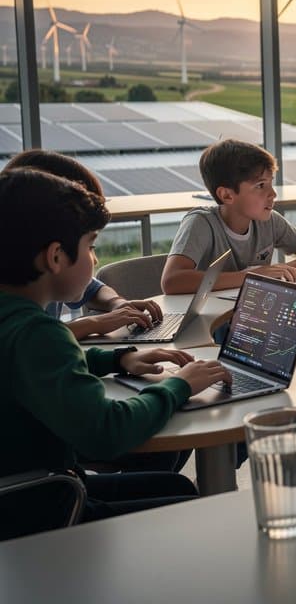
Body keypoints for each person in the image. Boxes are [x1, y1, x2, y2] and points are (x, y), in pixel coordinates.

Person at [0, 168, 232, 539]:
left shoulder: (15, 321)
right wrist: (180, 386)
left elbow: (29, 367)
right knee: (190, 512)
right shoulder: (38, 332)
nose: (94, 260)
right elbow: (108, 431)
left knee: (176, 487)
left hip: (26, 490)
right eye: (91, 246)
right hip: (41, 511)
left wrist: (117, 359)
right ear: (55, 257)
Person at [2, 149, 163, 341]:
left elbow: (91, 288)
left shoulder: (41, 270)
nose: (95, 259)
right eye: (88, 246)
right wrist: (93, 324)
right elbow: (32, 340)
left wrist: (117, 303)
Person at [161, 138, 296, 294]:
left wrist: (280, 271)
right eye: (260, 185)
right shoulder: (201, 223)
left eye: (270, 184)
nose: (273, 194)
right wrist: (254, 276)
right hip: (211, 309)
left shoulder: (271, 220)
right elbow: (171, 281)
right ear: (227, 195)